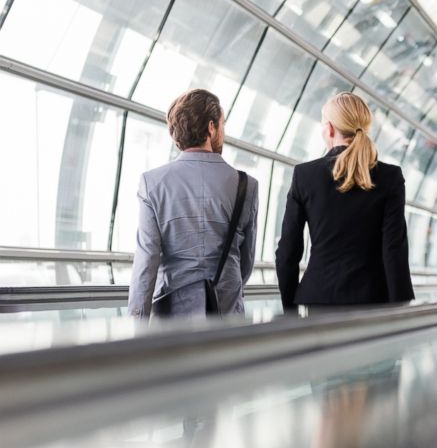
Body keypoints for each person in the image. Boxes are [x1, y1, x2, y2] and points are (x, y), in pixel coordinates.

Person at [276, 92, 414, 309]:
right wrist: (401, 308)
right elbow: (394, 249)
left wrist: (290, 310)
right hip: (373, 301)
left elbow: (287, 251)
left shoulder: (305, 175)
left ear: (329, 128)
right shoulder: (390, 177)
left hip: (320, 299)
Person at [127, 89, 259, 316]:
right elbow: (246, 261)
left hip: (173, 316)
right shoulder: (245, 185)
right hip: (227, 312)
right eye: (222, 125)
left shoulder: (152, 183)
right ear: (211, 127)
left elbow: (146, 261)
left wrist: (136, 326)